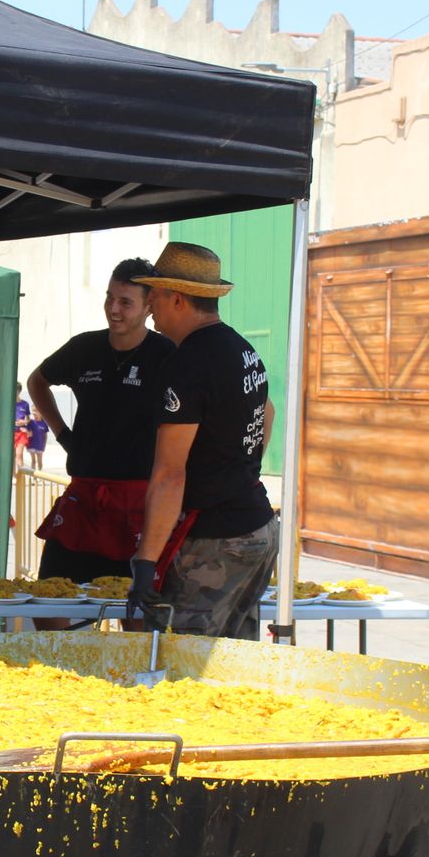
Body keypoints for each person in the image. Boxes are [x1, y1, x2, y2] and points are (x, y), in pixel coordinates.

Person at [125, 243, 277, 639]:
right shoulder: (241, 349)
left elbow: (170, 473)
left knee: (182, 655)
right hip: (257, 527)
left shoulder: (187, 363)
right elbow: (268, 413)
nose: (149, 304)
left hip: (216, 541)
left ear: (177, 299)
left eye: (155, 295)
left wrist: (145, 561)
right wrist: (238, 471)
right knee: (233, 657)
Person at [26, 258, 176, 622]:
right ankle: (62, 662)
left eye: (125, 301)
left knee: (138, 618)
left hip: (140, 503)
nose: (113, 308)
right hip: (84, 499)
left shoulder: (167, 354)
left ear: (149, 306)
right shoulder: (84, 347)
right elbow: (37, 381)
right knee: (47, 606)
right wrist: (62, 434)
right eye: (109, 297)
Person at [12, 386, 30, 471]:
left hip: (21, 433)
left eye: (16, 390)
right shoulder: (9, 404)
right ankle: (14, 476)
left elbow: (28, 419)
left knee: (19, 455)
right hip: (11, 433)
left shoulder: (25, 404)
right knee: (12, 456)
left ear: (19, 391)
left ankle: (20, 476)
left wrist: (24, 422)